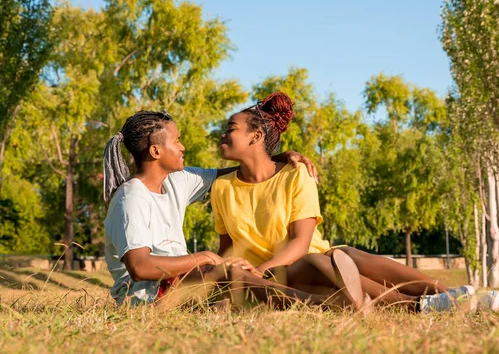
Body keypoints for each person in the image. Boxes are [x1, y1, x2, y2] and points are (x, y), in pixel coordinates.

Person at [211, 91, 499, 313]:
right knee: (327, 259)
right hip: (274, 275)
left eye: (230, 128)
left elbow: (301, 242)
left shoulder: (295, 174)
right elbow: (227, 249)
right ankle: (417, 305)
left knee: (339, 254)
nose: (222, 134)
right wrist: (243, 272)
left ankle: (451, 294)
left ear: (256, 136)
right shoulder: (222, 187)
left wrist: (263, 268)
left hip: (306, 260)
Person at [102, 110, 362, 308]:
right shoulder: (131, 198)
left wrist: (282, 157)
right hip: (147, 297)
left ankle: (339, 299)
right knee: (226, 272)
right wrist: (203, 257)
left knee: (237, 274)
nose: (183, 147)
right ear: (156, 150)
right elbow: (140, 267)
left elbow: (244, 170)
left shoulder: (177, 180)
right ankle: (322, 306)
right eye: (177, 141)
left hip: (181, 280)